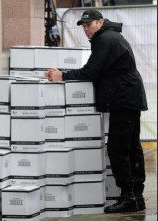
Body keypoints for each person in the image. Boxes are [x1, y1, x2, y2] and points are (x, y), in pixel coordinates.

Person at [44, 9, 148, 213]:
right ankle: (136, 196)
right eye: (83, 26)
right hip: (128, 96)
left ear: (100, 22)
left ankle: (129, 197)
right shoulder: (111, 36)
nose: (86, 29)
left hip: (124, 98)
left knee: (118, 149)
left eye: (89, 25)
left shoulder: (105, 39)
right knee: (131, 147)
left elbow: (91, 71)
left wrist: (62, 76)